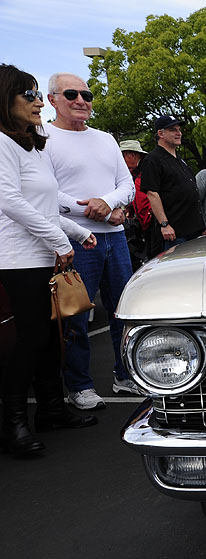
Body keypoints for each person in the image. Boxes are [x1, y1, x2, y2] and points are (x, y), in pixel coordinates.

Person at [0, 64, 98, 455]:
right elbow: (10, 201)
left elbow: (45, 206)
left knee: (50, 338)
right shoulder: (2, 143)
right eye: (29, 95)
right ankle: (12, 424)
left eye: (39, 93)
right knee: (32, 338)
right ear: (5, 99)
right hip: (19, 258)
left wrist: (77, 232)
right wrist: (60, 239)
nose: (39, 101)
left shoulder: (32, 146)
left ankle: (52, 409)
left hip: (44, 254)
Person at [44, 72, 139, 410]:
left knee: (124, 312)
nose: (81, 101)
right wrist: (95, 210)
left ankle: (126, 375)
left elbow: (127, 185)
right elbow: (45, 192)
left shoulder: (105, 138)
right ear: (53, 99)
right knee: (76, 317)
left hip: (115, 239)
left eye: (87, 95)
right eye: (71, 94)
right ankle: (79, 386)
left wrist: (108, 204)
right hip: (74, 240)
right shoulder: (43, 138)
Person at [139, 115, 205, 256]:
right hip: (174, 233)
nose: (178, 133)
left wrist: (201, 224)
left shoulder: (180, 160)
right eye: (173, 130)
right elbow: (152, 193)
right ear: (160, 133)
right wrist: (164, 224)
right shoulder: (152, 160)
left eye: (179, 129)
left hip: (194, 230)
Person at [119, 139, 152, 269]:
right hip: (144, 226)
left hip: (153, 225)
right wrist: (130, 209)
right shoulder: (132, 174)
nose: (121, 161)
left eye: (123, 156)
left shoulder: (147, 171)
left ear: (132, 155)